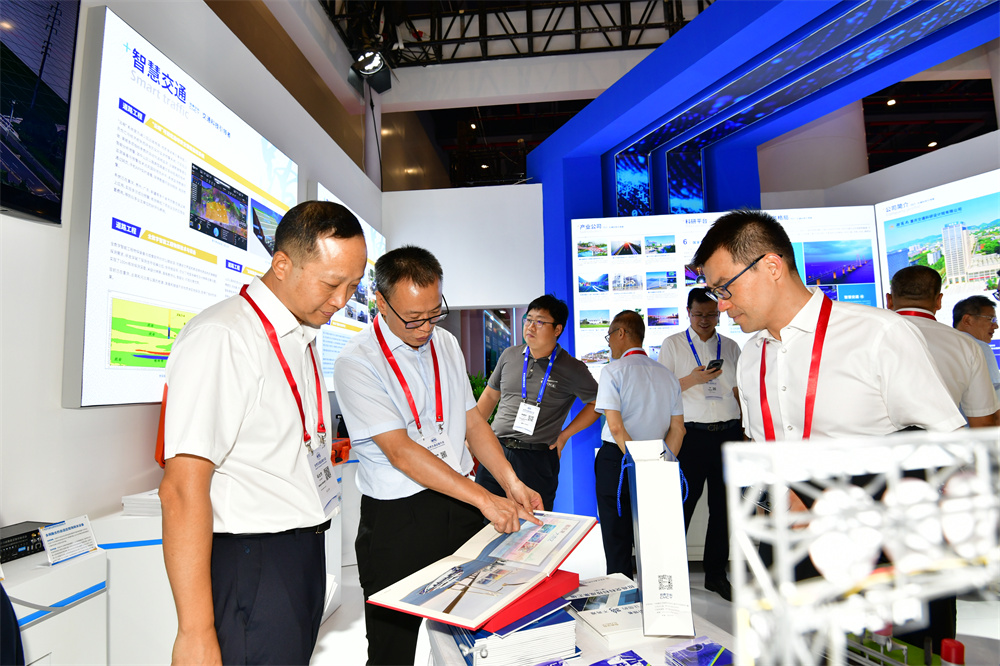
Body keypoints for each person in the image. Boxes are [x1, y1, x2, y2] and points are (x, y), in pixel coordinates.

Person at [691, 209, 966, 654]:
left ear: (771, 266)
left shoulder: (877, 335)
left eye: (725, 288)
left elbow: (945, 448)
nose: (721, 305)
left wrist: (824, 492)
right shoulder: (752, 355)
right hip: (787, 556)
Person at [159, 201, 368, 665]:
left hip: (298, 552)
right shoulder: (225, 336)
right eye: (331, 284)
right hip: (252, 562)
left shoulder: (300, 332)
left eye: (353, 286)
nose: (341, 301)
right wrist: (195, 632)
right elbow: (181, 489)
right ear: (282, 264)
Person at [333, 246, 543, 666]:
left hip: (460, 506)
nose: (426, 327)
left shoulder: (445, 342)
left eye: (434, 313)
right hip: (399, 519)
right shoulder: (356, 362)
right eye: (414, 318)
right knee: (393, 648)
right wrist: (486, 499)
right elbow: (401, 452)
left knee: (472, 633)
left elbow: (472, 422)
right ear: (381, 302)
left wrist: (510, 482)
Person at [475, 295, 600, 510]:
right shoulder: (509, 355)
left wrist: (564, 435)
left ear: (557, 329)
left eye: (540, 322)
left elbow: (597, 403)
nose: (531, 326)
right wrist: (473, 436)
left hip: (536, 458)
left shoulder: (572, 368)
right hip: (496, 451)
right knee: (486, 515)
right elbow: (490, 396)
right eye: (529, 319)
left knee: (534, 520)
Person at [657, 288, 742, 601]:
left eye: (711, 314)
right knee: (683, 505)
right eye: (698, 314)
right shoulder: (673, 344)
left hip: (728, 434)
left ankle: (716, 575)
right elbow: (662, 390)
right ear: (688, 312)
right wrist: (693, 379)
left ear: (719, 314)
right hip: (691, 436)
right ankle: (671, 574)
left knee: (723, 508)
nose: (705, 320)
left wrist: (747, 428)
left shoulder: (730, 346)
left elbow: (738, 391)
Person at [595, 310, 684, 577]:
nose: (609, 343)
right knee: (651, 537)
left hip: (618, 460)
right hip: (657, 461)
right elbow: (678, 429)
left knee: (616, 538)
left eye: (610, 335)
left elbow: (615, 427)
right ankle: (653, 594)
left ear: (621, 333)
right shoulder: (667, 375)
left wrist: (636, 463)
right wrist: (660, 464)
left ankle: (621, 594)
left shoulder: (612, 371)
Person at [888, 267, 999, 427]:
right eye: (991, 320)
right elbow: (983, 422)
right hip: (948, 441)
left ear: (889, 300)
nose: (995, 326)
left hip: (875, 442)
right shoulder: (968, 346)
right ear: (939, 301)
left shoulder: (866, 338)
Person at [953, 295, 1000, 406]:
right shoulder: (978, 347)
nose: (996, 326)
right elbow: (995, 395)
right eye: (991, 319)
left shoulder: (945, 345)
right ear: (967, 320)